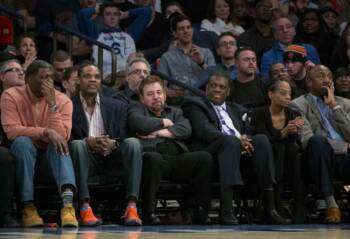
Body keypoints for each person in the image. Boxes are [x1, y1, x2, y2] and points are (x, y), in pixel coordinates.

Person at [182, 72, 291, 225]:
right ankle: (227, 210)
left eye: (222, 87)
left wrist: (246, 137)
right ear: (206, 88)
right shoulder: (195, 104)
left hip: (239, 152)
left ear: (228, 92)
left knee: (261, 140)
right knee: (230, 142)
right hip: (210, 153)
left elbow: (250, 128)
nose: (217, 90)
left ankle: (269, 208)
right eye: (213, 86)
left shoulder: (236, 109)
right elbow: (203, 129)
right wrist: (238, 140)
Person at [1, 60, 78, 227]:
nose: (47, 83)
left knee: (59, 143)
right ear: (28, 79)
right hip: (24, 154)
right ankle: (28, 206)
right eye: (42, 78)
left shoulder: (63, 100)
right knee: (22, 142)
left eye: (50, 78)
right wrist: (45, 131)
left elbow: (62, 135)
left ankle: (67, 205)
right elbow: (11, 131)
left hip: (50, 157)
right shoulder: (11, 95)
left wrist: (52, 106)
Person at [128, 75, 213, 225]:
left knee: (204, 157)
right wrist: (164, 122)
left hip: (176, 158)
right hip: (152, 158)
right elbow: (138, 123)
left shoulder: (176, 112)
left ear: (165, 95)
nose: (156, 97)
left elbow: (186, 129)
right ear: (141, 98)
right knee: (153, 158)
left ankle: (201, 211)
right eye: (150, 94)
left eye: (159, 93)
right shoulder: (136, 109)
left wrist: (158, 132)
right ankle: (149, 213)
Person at [69, 62, 143, 226]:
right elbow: (64, 138)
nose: (92, 80)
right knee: (77, 145)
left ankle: (131, 206)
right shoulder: (68, 105)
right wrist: (87, 142)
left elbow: (125, 136)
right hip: (86, 159)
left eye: (96, 77)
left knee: (133, 143)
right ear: (78, 80)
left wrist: (113, 143)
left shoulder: (116, 106)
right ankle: (84, 207)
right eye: (87, 76)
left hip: (112, 158)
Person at [290, 65, 350, 224]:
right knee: (318, 141)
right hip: (316, 158)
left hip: (344, 159)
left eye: (329, 76)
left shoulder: (345, 104)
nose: (327, 80)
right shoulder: (298, 105)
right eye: (321, 76)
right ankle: (331, 204)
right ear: (309, 82)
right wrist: (343, 146)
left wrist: (334, 106)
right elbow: (306, 139)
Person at [251, 79, 305, 223]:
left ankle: (298, 205)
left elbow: (294, 142)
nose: (288, 97)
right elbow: (264, 141)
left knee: (291, 148)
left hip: (289, 156)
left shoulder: (293, 113)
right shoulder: (259, 113)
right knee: (280, 148)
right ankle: (276, 205)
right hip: (266, 158)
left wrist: (296, 131)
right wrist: (284, 132)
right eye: (283, 93)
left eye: (290, 94)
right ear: (271, 94)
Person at [79, 2, 151, 75]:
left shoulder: (129, 35)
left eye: (116, 14)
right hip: (109, 78)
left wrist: (126, 14)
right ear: (102, 17)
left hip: (129, 75)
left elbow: (147, 12)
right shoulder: (96, 34)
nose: (112, 17)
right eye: (108, 14)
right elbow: (82, 14)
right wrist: (98, 9)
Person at [158, 14, 216, 103]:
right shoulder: (166, 57)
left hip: (204, 101)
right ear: (175, 33)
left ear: (192, 30)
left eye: (188, 27)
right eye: (181, 29)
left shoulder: (206, 52)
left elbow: (217, 80)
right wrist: (171, 93)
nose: (186, 31)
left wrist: (202, 63)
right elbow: (161, 87)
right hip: (179, 103)